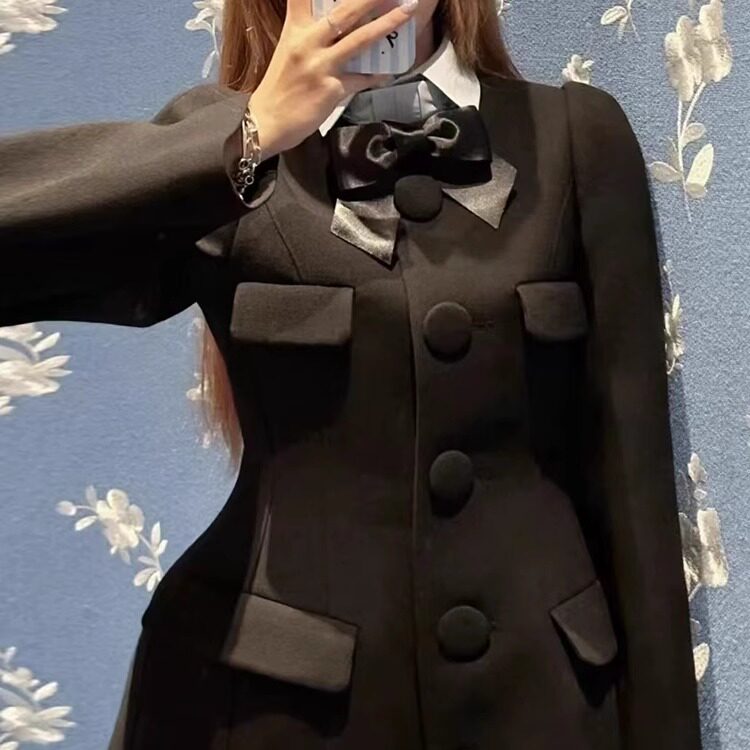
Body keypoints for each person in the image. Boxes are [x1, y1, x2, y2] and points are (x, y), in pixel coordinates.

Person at [0, 0, 703, 748]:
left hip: (544, 704)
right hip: (272, 712)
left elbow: (635, 498)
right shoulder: (229, 147)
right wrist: (252, 134)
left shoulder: (573, 139)